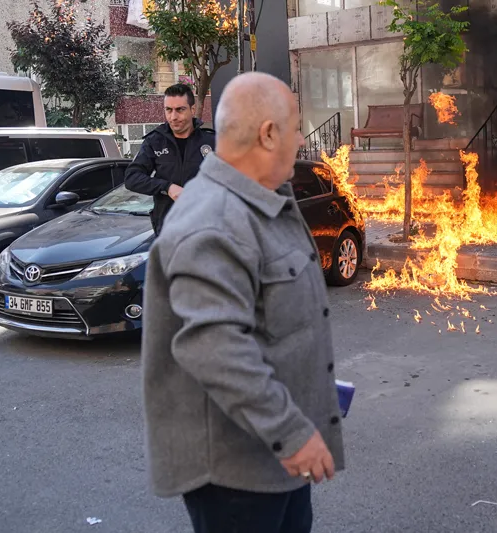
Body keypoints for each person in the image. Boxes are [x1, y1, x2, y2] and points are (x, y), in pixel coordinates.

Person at [141, 72, 345, 533]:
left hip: (275, 458)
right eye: (295, 128)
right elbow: (213, 346)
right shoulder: (213, 219)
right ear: (269, 133)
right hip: (238, 474)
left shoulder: (259, 201)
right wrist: (292, 433)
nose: (301, 140)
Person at [124, 83, 216, 234]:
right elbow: (132, 178)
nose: (173, 117)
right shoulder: (155, 141)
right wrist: (167, 187)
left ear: (192, 110)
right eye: (169, 110)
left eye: (180, 110)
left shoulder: (211, 141)